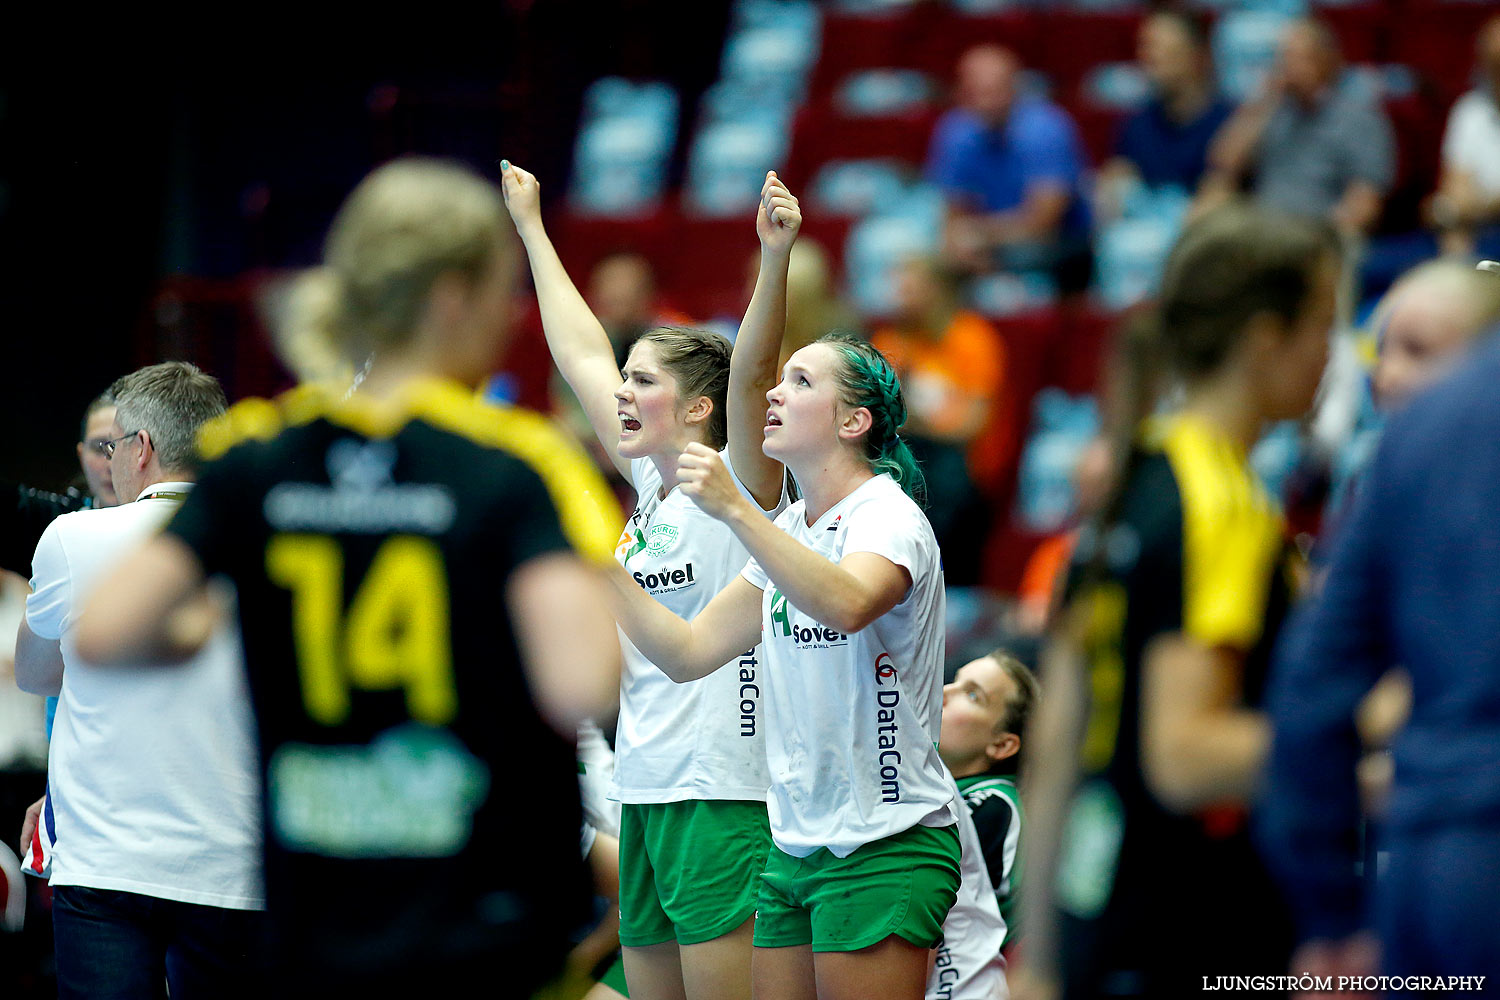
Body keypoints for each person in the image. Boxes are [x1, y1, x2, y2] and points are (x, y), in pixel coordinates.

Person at [70, 158, 626, 997]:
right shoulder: (518, 464)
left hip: (313, 916)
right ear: (450, 298)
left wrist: (236, 618)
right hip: (483, 922)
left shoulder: (259, 453)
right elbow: (583, 678)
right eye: (500, 291)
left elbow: (106, 631)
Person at [1013, 205, 1341, 998]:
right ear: (1268, 339)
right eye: (1324, 327)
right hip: (1191, 932)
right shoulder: (1221, 504)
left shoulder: (1140, 474)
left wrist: (1038, 962)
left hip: (1100, 916)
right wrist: (1359, 752)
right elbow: (1185, 755)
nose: (1335, 355)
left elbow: (1061, 734)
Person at [500, 160, 798, 1000]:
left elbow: (753, 366)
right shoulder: (652, 489)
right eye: (625, 379)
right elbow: (578, 351)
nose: (619, 393)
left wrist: (772, 259)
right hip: (646, 791)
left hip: (723, 793)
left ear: (699, 408)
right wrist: (531, 225)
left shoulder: (738, 480)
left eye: (643, 382)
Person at [609, 332, 960, 1000]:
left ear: (853, 422)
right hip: (794, 846)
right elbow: (690, 653)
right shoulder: (793, 526)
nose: (774, 391)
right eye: (781, 379)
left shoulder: (886, 514)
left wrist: (737, 509)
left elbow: (849, 601)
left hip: (883, 839)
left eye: (800, 382)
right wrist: (593, 564)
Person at [14, 361, 265, 1000]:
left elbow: (39, 676)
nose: (109, 460)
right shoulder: (263, 534)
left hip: (106, 864)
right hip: (233, 867)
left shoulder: (72, 536)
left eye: (113, 445)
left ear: (142, 449)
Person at [1260, 321, 1500, 987]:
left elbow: (1312, 683)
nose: (1386, 372)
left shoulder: (1422, 432)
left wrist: (1330, 910)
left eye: (1419, 349)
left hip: (1432, 864)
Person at [872, 256, 1009, 585]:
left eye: (909, 291)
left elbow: (972, 426)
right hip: (908, 453)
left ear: (936, 290)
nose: (899, 300)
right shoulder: (890, 343)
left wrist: (913, 420)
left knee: (941, 476)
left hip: (963, 466)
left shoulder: (973, 339)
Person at [926, 45, 1093, 296]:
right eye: (977, 93)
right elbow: (953, 212)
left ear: (1015, 88)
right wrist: (960, 243)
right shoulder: (955, 131)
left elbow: (1044, 223)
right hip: (991, 244)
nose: (986, 103)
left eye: (995, 91)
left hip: (1059, 244)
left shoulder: (1047, 128)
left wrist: (980, 234)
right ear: (961, 92)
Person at [1207, 19, 1395, 239]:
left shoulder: (1361, 119)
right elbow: (1223, 162)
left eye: (1301, 58)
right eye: (1284, 58)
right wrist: (1265, 101)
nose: (1289, 68)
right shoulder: (1272, 110)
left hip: (1319, 236)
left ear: (1328, 60)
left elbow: (1364, 204)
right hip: (1261, 230)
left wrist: (1318, 238)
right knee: (1212, 194)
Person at [925, 650, 1039, 1000]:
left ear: (1002, 744)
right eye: (955, 680)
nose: (944, 692)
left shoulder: (995, 805)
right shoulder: (939, 790)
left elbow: (934, 909)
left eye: (972, 695)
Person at [1098, 9, 1233, 216]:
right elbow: (1115, 184)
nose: (1148, 56)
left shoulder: (1228, 125)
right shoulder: (1136, 125)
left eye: (1161, 48)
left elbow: (1221, 191)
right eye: (1145, 46)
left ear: (1196, 55)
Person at [1427, 16, 1500, 258]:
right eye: (1493, 64)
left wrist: (1472, 207)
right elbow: (1455, 191)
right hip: (1478, 232)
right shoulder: (1470, 111)